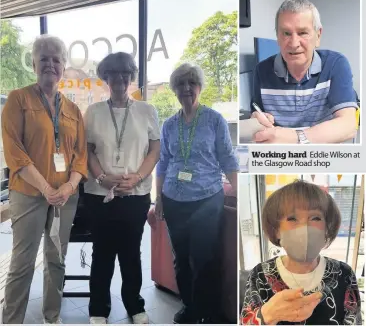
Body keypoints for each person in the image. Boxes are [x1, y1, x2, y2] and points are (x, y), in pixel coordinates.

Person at [1, 35, 87, 324]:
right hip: (28, 194)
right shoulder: (18, 99)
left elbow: (80, 157)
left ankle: (52, 317)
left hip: (65, 196)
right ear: (34, 63)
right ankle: (12, 320)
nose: (51, 64)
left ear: (63, 66)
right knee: (22, 263)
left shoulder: (73, 110)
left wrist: (68, 187)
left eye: (57, 59)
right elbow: (15, 152)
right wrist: (47, 188)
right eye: (44, 58)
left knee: (56, 259)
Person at [155, 63, 239, 324]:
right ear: (175, 90)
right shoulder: (169, 125)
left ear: (199, 87)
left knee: (205, 258)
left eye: (191, 83)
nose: (186, 88)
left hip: (206, 200)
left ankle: (208, 310)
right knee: (181, 258)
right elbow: (163, 163)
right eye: (181, 84)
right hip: (174, 201)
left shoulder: (214, 120)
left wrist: (237, 191)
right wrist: (158, 198)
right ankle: (190, 307)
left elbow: (228, 158)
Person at [83, 52, 160, 325]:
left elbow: (154, 148)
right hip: (99, 194)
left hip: (135, 195)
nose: (120, 78)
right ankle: (98, 310)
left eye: (126, 73)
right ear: (105, 77)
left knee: (131, 252)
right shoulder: (93, 112)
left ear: (132, 76)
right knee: (101, 253)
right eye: (114, 73)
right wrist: (102, 177)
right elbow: (88, 150)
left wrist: (138, 177)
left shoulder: (147, 110)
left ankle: (134, 305)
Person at [241, 180, 362, 325]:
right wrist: (267, 315)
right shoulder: (259, 275)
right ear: (276, 230)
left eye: (315, 218)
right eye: (292, 218)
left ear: (327, 228)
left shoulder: (345, 274)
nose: (305, 228)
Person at [251, 0, 358, 144]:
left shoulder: (336, 64)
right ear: (277, 37)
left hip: (323, 159)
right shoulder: (261, 70)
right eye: (286, 33)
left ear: (318, 35)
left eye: (302, 33)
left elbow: (348, 126)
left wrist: (295, 137)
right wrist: (256, 121)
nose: (294, 44)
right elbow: (258, 113)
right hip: (281, 159)